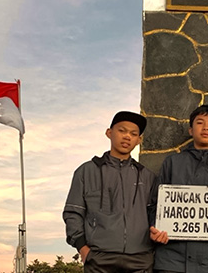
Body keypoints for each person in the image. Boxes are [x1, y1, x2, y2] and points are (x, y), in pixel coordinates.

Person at [149, 104, 208, 273]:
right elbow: (155, 204)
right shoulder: (172, 163)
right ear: (191, 130)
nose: (206, 127)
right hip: (172, 262)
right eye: (200, 122)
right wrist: (154, 227)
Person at [63, 111, 158, 273]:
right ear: (109, 133)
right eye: (122, 130)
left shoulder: (147, 176)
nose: (127, 136)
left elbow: (154, 213)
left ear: (139, 140)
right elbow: (73, 212)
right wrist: (82, 248)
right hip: (99, 259)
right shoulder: (86, 171)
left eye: (133, 134)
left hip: (140, 259)